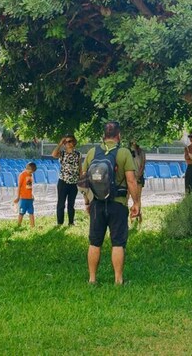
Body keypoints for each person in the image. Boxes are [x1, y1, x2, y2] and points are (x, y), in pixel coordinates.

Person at [80, 121, 141, 285]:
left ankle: (92, 279)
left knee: (94, 242)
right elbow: (131, 180)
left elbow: (84, 181)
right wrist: (136, 202)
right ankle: (118, 280)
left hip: (97, 203)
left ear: (103, 136)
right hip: (118, 203)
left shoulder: (92, 152)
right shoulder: (124, 153)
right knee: (118, 243)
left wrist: (87, 202)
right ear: (119, 135)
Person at [52, 135, 82, 226]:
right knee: (61, 203)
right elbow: (53, 154)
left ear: (74, 142)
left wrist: (81, 180)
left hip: (74, 182)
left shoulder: (78, 154)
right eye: (66, 142)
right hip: (63, 181)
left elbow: (80, 168)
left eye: (70, 141)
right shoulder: (62, 153)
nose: (68, 143)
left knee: (71, 204)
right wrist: (60, 144)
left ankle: (71, 222)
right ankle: (60, 223)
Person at [14, 162, 36, 228]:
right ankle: (18, 226)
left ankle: (32, 226)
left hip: (30, 198)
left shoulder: (30, 175)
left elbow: (29, 186)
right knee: (21, 212)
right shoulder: (22, 175)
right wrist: (18, 197)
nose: (31, 173)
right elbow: (19, 186)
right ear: (27, 168)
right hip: (23, 198)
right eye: (30, 171)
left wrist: (31, 195)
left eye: (32, 172)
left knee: (31, 212)